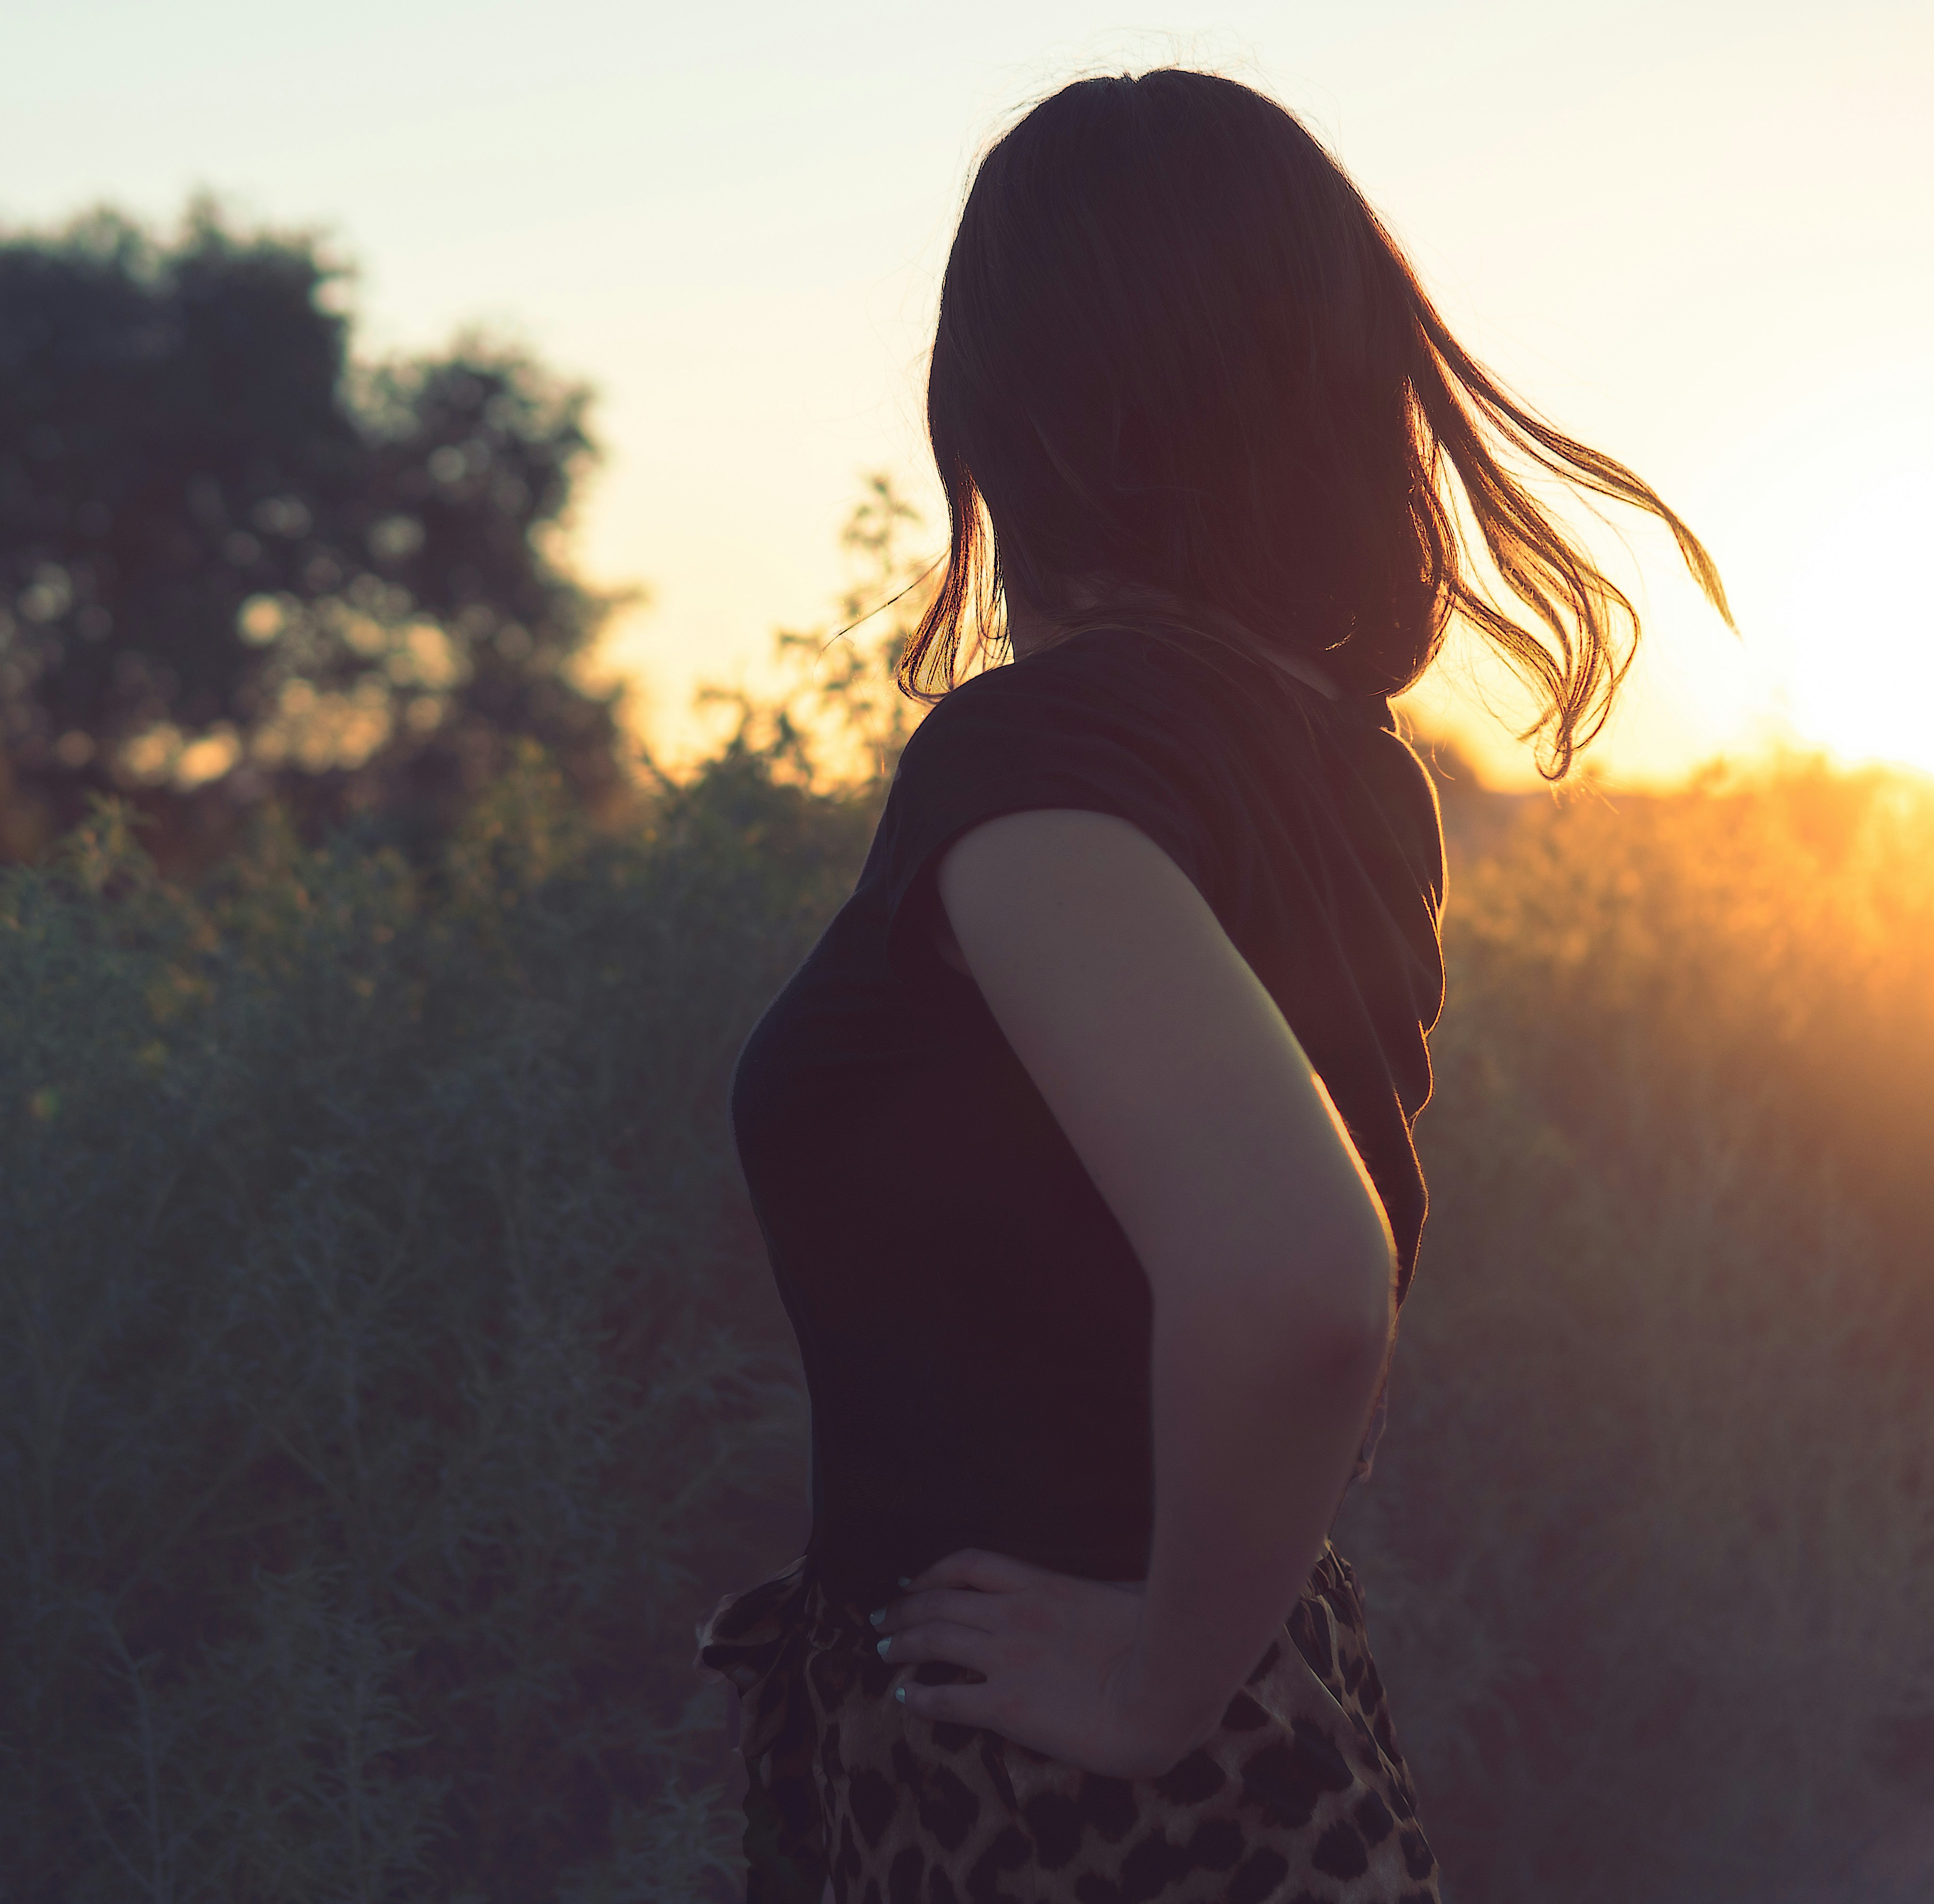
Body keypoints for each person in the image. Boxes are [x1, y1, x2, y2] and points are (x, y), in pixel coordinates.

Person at [697, 68, 1728, 1904]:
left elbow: (1300, 1282)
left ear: (1015, 405)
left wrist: (1146, 1686)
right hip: (1257, 1712)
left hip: (1047, 1789)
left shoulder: (1040, 759)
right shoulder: (1336, 764)